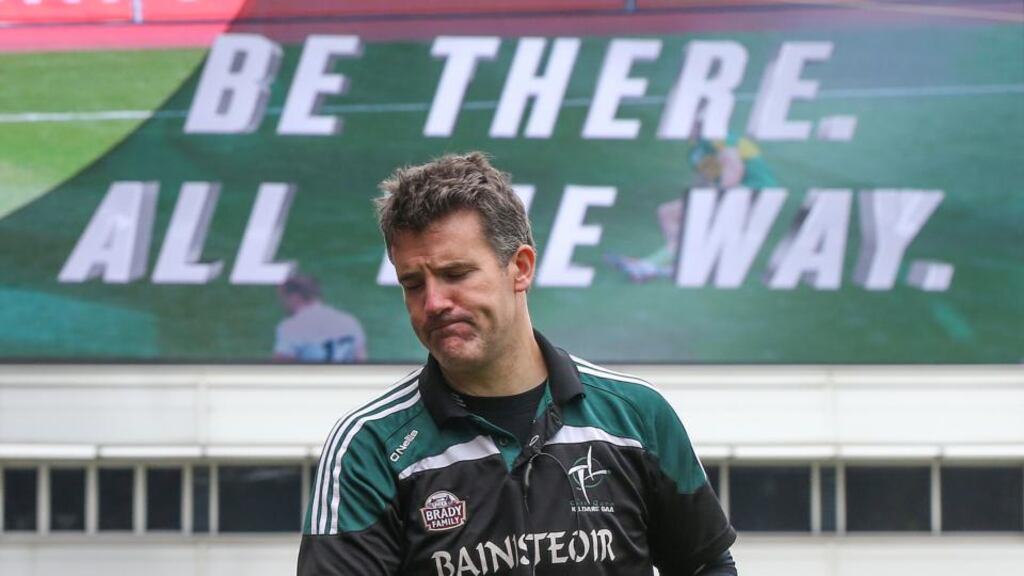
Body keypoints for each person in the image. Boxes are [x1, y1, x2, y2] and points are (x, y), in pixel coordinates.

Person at [297, 152, 737, 575]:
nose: (433, 303)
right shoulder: (370, 447)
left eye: (455, 274)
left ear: (521, 268)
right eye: (413, 284)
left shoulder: (636, 417)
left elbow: (705, 565)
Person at [607, 126, 777, 282]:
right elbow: (706, 181)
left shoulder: (719, 137)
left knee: (691, 226)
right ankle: (677, 262)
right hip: (735, 193)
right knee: (668, 212)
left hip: (754, 192)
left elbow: (734, 170)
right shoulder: (696, 152)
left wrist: (713, 202)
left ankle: (647, 267)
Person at [273, 274, 367, 363]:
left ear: (295, 297)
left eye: (283, 298)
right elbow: (361, 361)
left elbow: (280, 369)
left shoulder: (290, 326)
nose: (283, 304)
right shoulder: (349, 321)